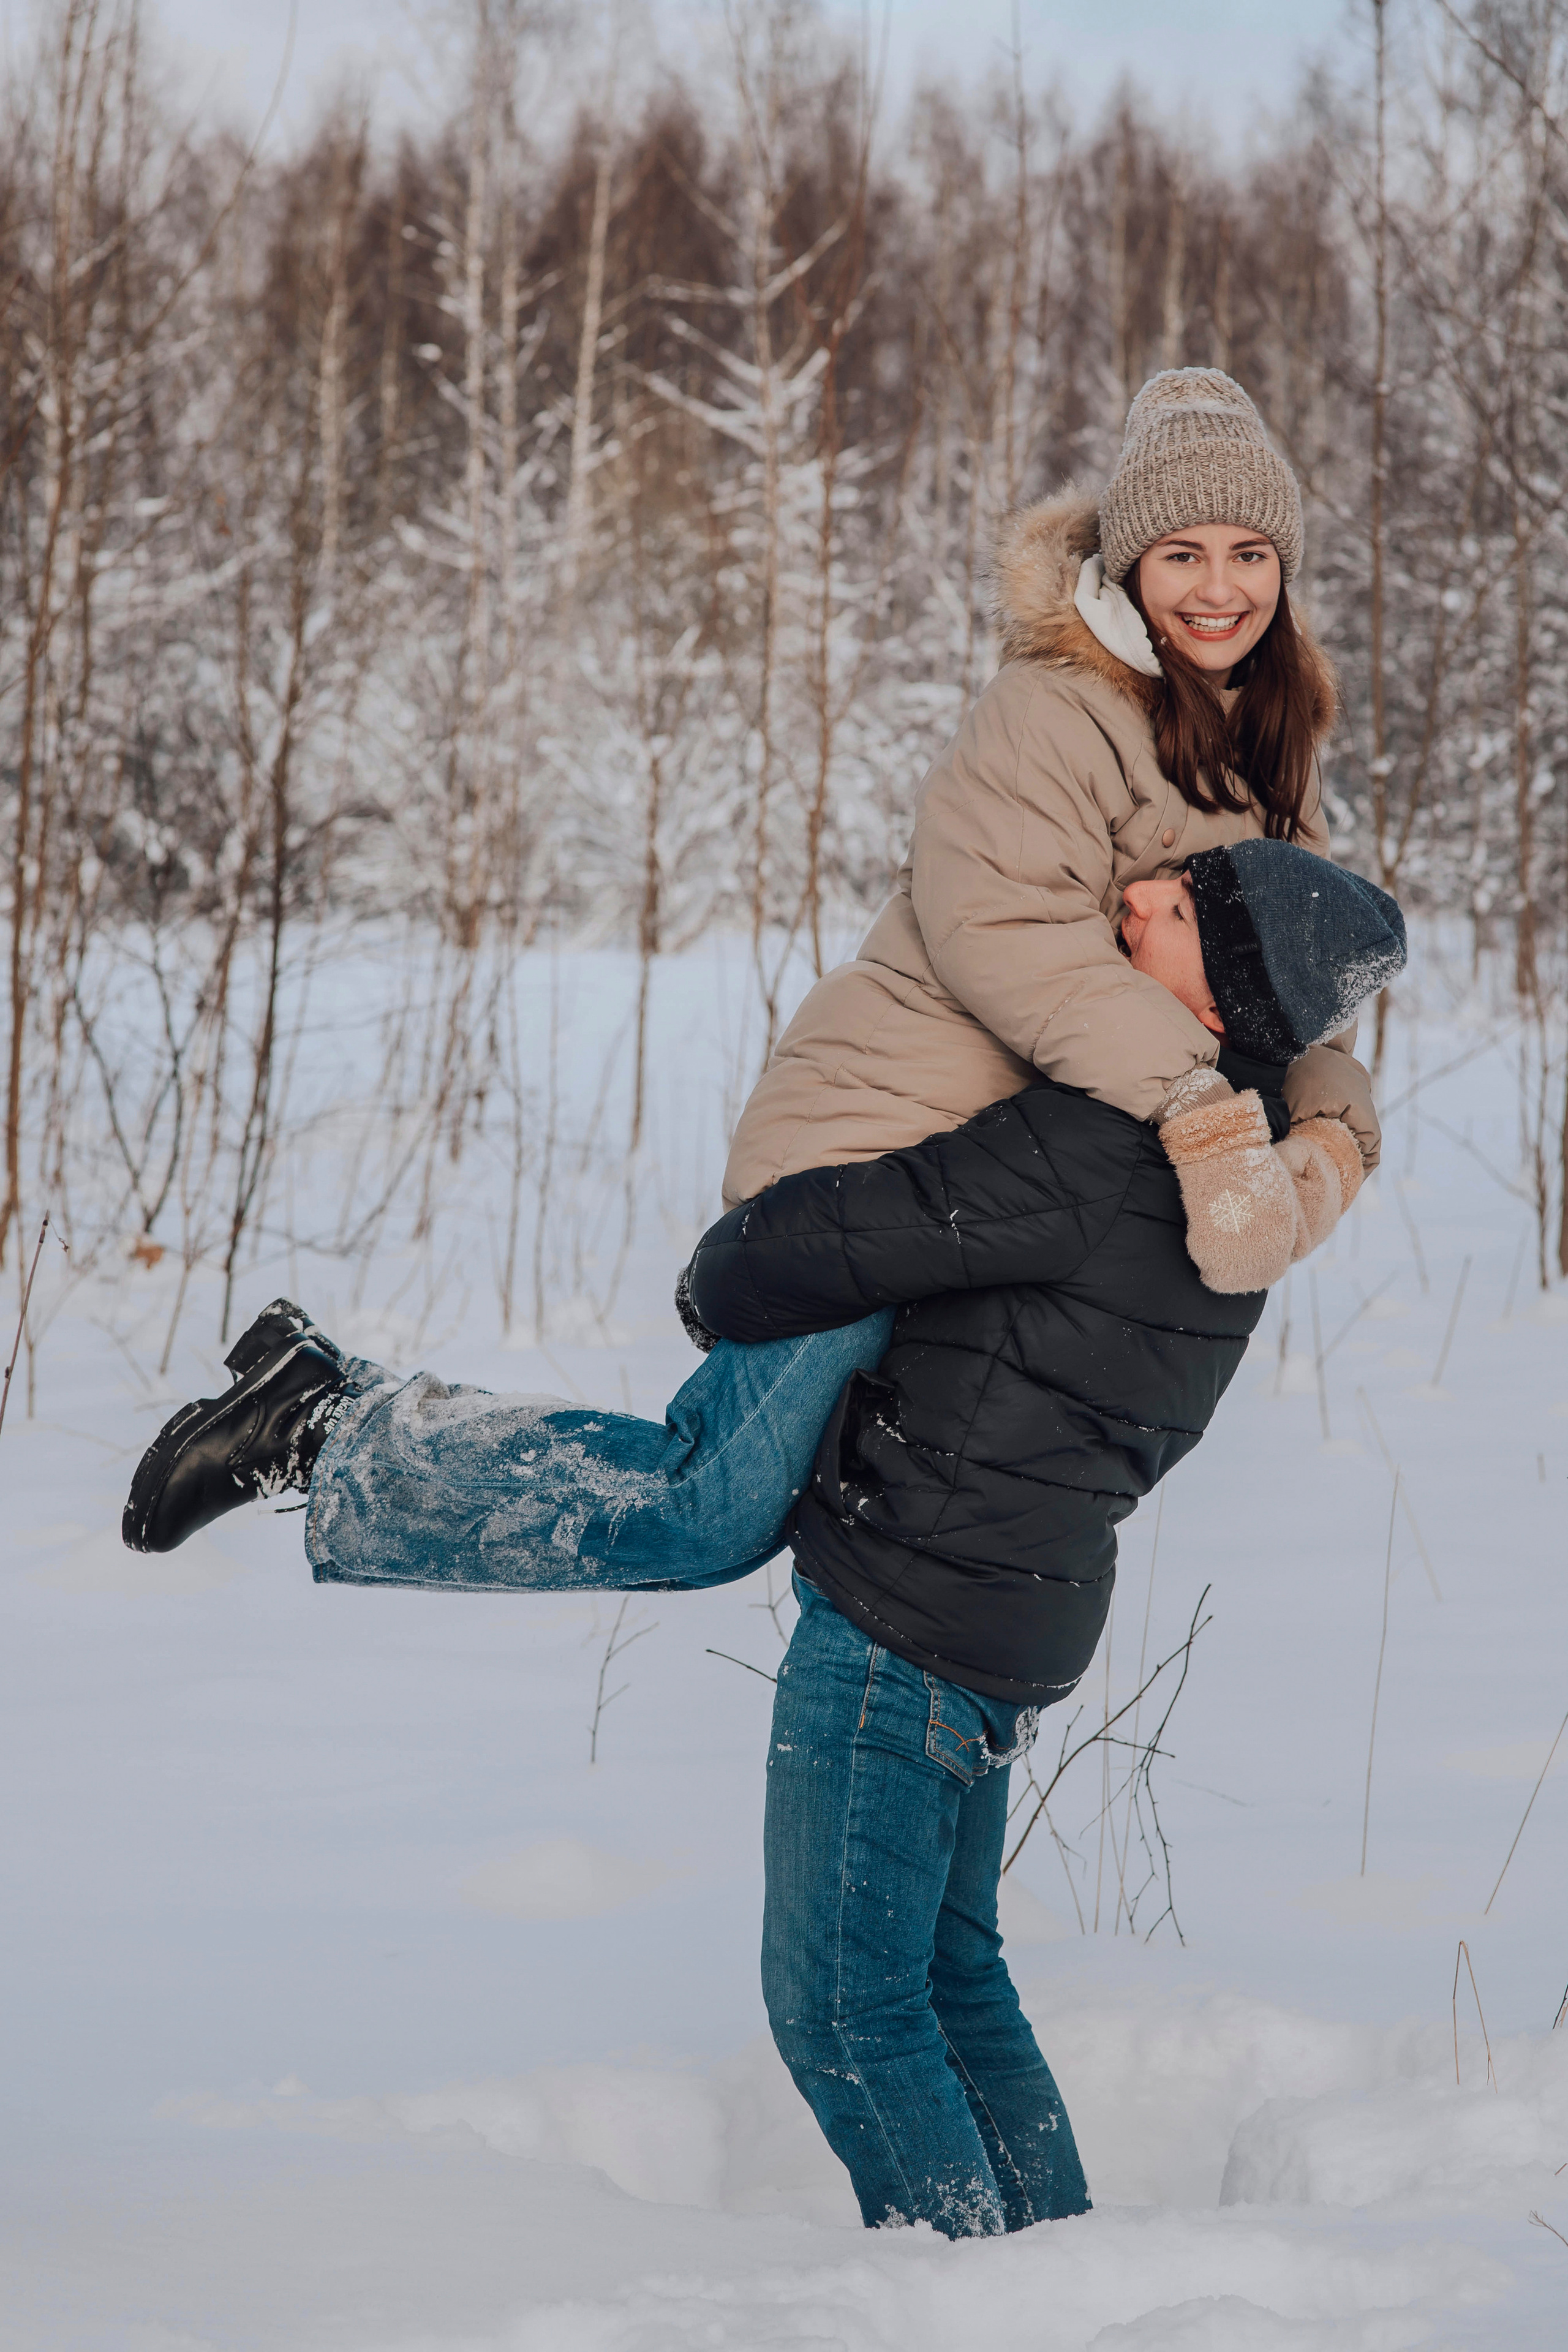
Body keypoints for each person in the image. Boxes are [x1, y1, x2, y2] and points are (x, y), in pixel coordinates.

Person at [121, 369, 1403, 2236]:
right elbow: (1011, 944)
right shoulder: (1055, 711)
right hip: (874, 1157)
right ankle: (326, 1419)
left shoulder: (1253, 749)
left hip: (996, 1208)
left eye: (1250, 551)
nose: (1219, 584)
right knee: (716, 1499)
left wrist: (1329, 1150)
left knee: (786, 1568)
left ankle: (1031, 2282)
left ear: (1284, 567)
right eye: (1183, 549)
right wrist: (1215, 1120)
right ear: (1126, 559)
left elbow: (1315, 985)